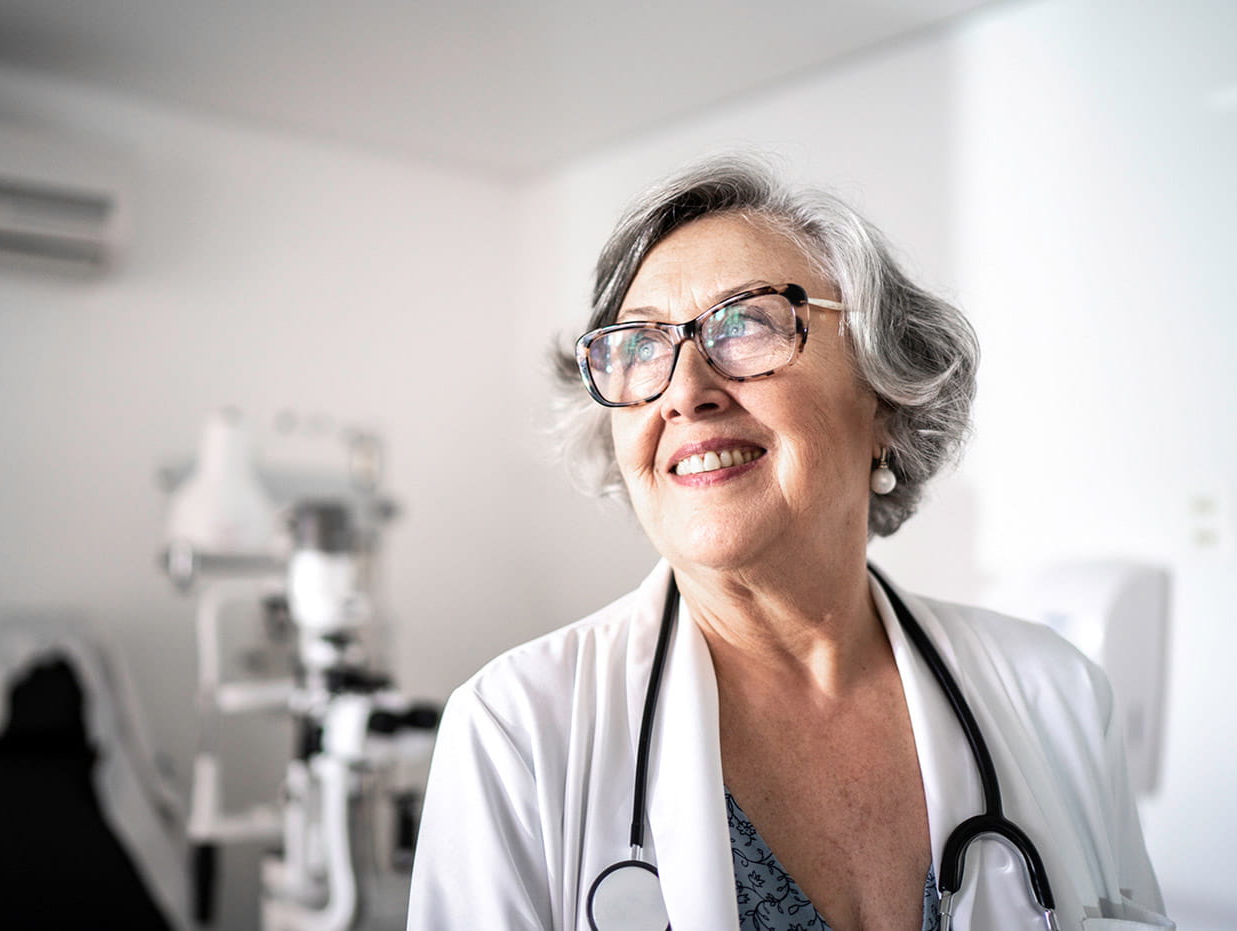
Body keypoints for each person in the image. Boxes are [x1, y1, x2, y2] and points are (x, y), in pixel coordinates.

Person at [407, 154, 1171, 931]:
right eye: (639, 346)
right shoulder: (516, 731)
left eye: (746, 325)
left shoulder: (1058, 696)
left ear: (885, 401)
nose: (684, 390)